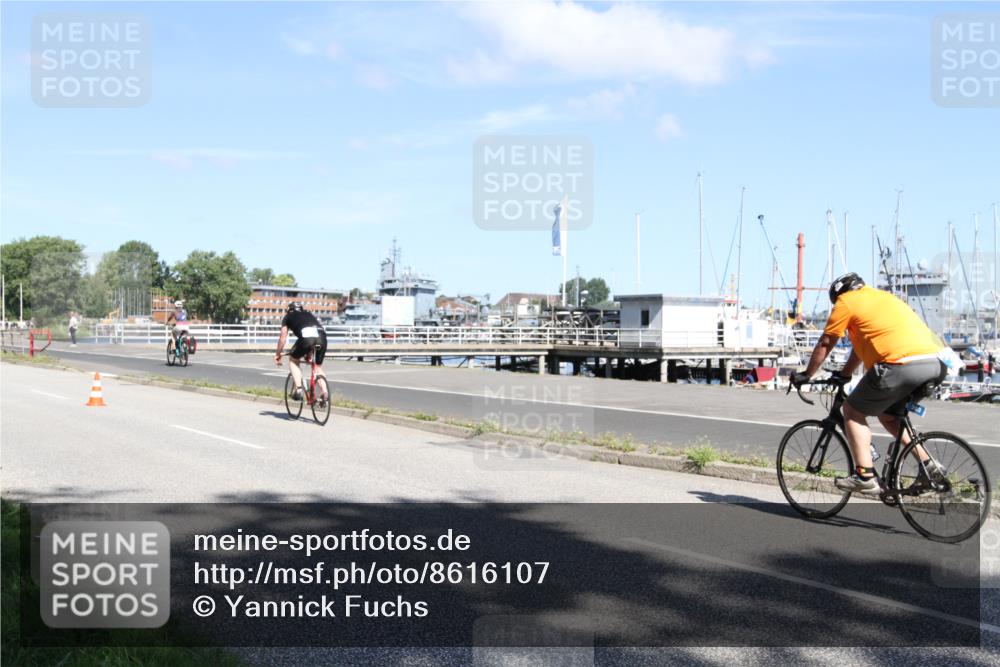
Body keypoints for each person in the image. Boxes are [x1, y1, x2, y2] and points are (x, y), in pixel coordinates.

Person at [791, 273, 948, 492]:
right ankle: (930, 467)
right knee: (889, 416)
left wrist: (807, 374)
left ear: (839, 294)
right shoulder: (885, 298)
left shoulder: (846, 301)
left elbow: (826, 342)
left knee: (851, 411)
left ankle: (864, 476)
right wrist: (845, 373)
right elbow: (860, 347)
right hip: (935, 363)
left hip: (900, 364)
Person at [275, 302, 328, 402]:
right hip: (322, 337)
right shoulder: (308, 314)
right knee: (317, 367)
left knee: (293, 360)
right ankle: (325, 393)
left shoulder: (288, 316)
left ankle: (298, 389)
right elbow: (313, 332)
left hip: (306, 338)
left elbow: (283, 337)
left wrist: (278, 354)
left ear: (289, 310)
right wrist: (308, 353)